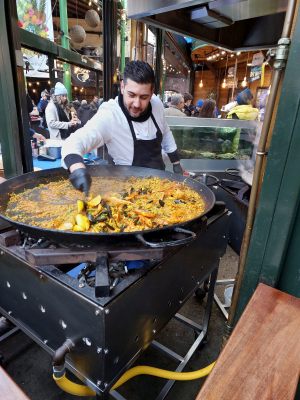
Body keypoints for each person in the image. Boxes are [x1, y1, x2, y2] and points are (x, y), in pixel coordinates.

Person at [61, 61, 184, 194]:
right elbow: (74, 142)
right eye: (131, 95)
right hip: (125, 190)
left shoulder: (156, 104)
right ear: (122, 87)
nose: (137, 104)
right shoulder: (110, 114)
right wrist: (77, 168)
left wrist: (176, 162)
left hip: (160, 183)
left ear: (152, 92)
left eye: (144, 97)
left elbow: (165, 132)